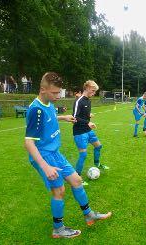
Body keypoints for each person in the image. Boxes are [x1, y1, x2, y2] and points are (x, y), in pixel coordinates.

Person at [24, 72, 111, 239]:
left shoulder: (47, 103)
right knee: (59, 190)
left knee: (77, 181)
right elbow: (28, 143)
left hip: (54, 153)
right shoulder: (36, 110)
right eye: (55, 93)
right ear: (43, 89)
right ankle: (58, 228)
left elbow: (49, 118)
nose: (58, 96)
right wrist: (45, 166)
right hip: (44, 156)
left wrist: (62, 117)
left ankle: (89, 214)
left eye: (59, 92)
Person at [72, 80, 109, 182]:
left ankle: (97, 163)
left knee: (98, 146)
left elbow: (82, 114)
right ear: (87, 88)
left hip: (88, 130)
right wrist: (88, 122)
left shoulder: (88, 100)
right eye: (93, 91)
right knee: (83, 155)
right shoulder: (79, 100)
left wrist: (88, 115)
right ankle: (77, 176)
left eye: (95, 91)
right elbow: (74, 118)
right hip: (79, 132)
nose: (94, 93)